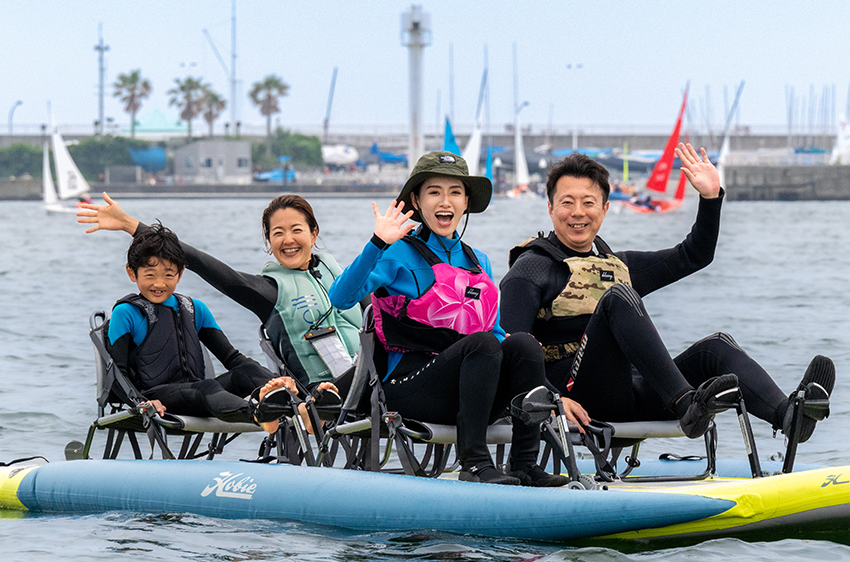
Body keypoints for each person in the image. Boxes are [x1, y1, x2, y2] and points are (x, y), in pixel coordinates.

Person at [500, 145, 834, 441]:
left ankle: (789, 417)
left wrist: (710, 198)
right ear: (549, 208)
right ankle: (688, 405)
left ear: (604, 209)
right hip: (580, 401)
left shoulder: (617, 266)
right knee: (618, 297)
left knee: (716, 347)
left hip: (634, 395)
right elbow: (512, 350)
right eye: (566, 203)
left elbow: (694, 255)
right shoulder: (531, 269)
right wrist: (554, 399)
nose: (577, 212)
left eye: (588, 203)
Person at [327, 151, 591, 487]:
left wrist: (545, 382)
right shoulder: (394, 252)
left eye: (454, 192)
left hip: (472, 393)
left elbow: (495, 333)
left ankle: (525, 465)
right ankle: (476, 464)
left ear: (466, 201)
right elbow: (340, 298)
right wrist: (377, 243)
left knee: (523, 344)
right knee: (480, 345)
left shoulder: (478, 261)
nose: (445, 201)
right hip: (410, 389)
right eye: (434, 192)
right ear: (416, 200)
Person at [78, 193, 362, 399]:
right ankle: (275, 407)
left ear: (314, 234)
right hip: (322, 392)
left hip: (365, 377)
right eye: (278, 233)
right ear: (269, 242)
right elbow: (205, 265)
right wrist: (131, 225)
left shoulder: (337, 272)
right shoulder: (268, 291)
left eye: (296, 230)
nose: (287, 239)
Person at [108, 221, 301, 434]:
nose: (159, 284)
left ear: (180, 274)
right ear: (132, 273)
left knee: (246, 370)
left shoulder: (194, 309)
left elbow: (231, 358)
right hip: (158, 401)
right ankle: (260, 414)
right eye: (150, 275)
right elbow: (118, 375)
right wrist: (142, 403)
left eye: (169, 275)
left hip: (199, 397)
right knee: (207, 387)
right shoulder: (125, 313)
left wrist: (272, 380)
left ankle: (298, 401)